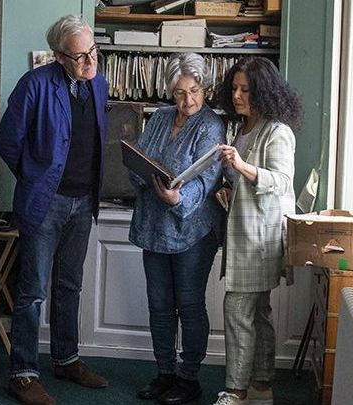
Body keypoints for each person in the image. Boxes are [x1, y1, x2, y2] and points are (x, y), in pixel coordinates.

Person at [0, 14, 109, 405]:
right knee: (32, 292)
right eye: (80, 56)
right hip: (46, 204)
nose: (90, 62)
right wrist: (34, 179)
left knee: (69, 286)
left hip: (84, 202)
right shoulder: (34, 85)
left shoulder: (99, 84)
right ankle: (23, 374)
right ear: (60, 57)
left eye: (93, 51)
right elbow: (7, 141)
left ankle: (66, 359)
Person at [128, 53, 226, 405]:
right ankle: (164, 373)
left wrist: (176, 200)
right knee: (159, 305)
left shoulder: (212, 126)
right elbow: (138, 157)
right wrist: (140, 170)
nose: (188, 101)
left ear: (205, 88)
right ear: (171, 91)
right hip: (153, 226)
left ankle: (188, 378)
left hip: (193, 231)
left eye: (195, 91)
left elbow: (208, 178)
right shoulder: (161, 117)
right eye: (180, 93)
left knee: (189, 305)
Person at [211, 57, 302, 405]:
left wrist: (241, 165)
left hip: (260, 239)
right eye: (233, 88)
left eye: (245, 90)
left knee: (237, 310)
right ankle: (262, 385)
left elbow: (280, 182)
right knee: (258, 313)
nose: (236, 96)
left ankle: (235, 391)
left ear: (262, 91)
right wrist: (229, 184)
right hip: (245, 233)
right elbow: (247, 182)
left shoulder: (278, 131)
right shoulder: (245, 128)